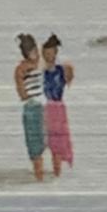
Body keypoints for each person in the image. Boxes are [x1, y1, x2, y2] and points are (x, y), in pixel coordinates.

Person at [13, 32, 45, 182]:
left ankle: (42, 176)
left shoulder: (37, 65)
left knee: (39, 142)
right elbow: (22, 93)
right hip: (33, 107)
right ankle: (40, 176)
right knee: (35, 145)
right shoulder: (22, 69)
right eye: (33, 51)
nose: (36, 54)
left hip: (39, 106)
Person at [41, 33, 75, 175]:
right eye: (45, 53)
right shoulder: (42, 71)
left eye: (50, 53)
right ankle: (55, 170)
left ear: (55, 53)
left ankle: (57, 171)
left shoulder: (61, 69)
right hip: (47, 107)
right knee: (50, 140)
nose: (47, 56)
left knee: (58, 141)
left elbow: (69, 78)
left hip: (58, 108)